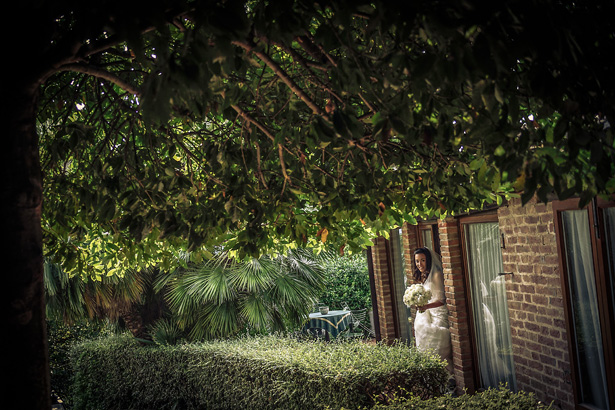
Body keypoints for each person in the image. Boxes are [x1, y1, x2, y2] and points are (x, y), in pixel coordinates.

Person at [412, 247, 453, 374]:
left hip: (439, 315)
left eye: (422, 260)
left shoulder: (436, 275)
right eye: (417, 261)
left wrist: (425, 306)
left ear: (428, 260)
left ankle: (450, 378)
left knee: (438, 349)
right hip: (429, 313)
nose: (420, 264)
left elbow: (442, 300)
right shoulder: (424, 275)